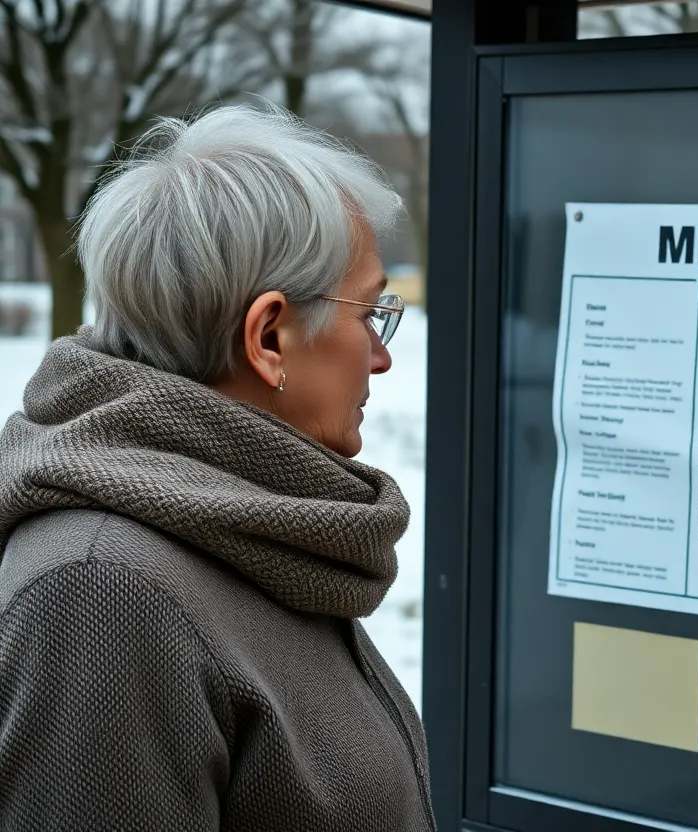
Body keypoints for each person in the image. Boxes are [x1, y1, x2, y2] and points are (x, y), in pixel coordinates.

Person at [0, 104, 433, 831]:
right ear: (269, 338)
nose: (382, 357)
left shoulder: (259, 524)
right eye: (368, 314)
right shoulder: (103, 594)